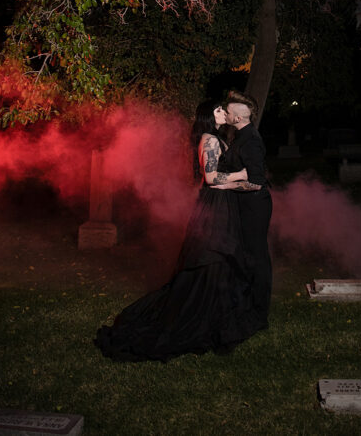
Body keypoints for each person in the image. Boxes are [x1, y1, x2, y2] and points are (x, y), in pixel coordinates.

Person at [94, 100, 262, 361]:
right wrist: (241, 174)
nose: (224, 112)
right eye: (219, 110)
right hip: (214, 207)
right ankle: (202, 320)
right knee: (211, 260)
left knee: (220, 264)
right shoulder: (210, 139)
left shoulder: (216, 138)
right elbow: (211, 179)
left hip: (220, 204)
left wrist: (244, 182)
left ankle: (216, 318)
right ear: (209, 116)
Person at [219, 91, 272, 332]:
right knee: (246, 256)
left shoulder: (251, 139)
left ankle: (259, 313)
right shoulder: (240, 135)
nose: (226, 114)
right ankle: (245, 304)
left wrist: (225, 185)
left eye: (229, 112)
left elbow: (257, 181)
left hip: (254, 206)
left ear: (239, 117)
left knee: (257, 257)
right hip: (244, 205)